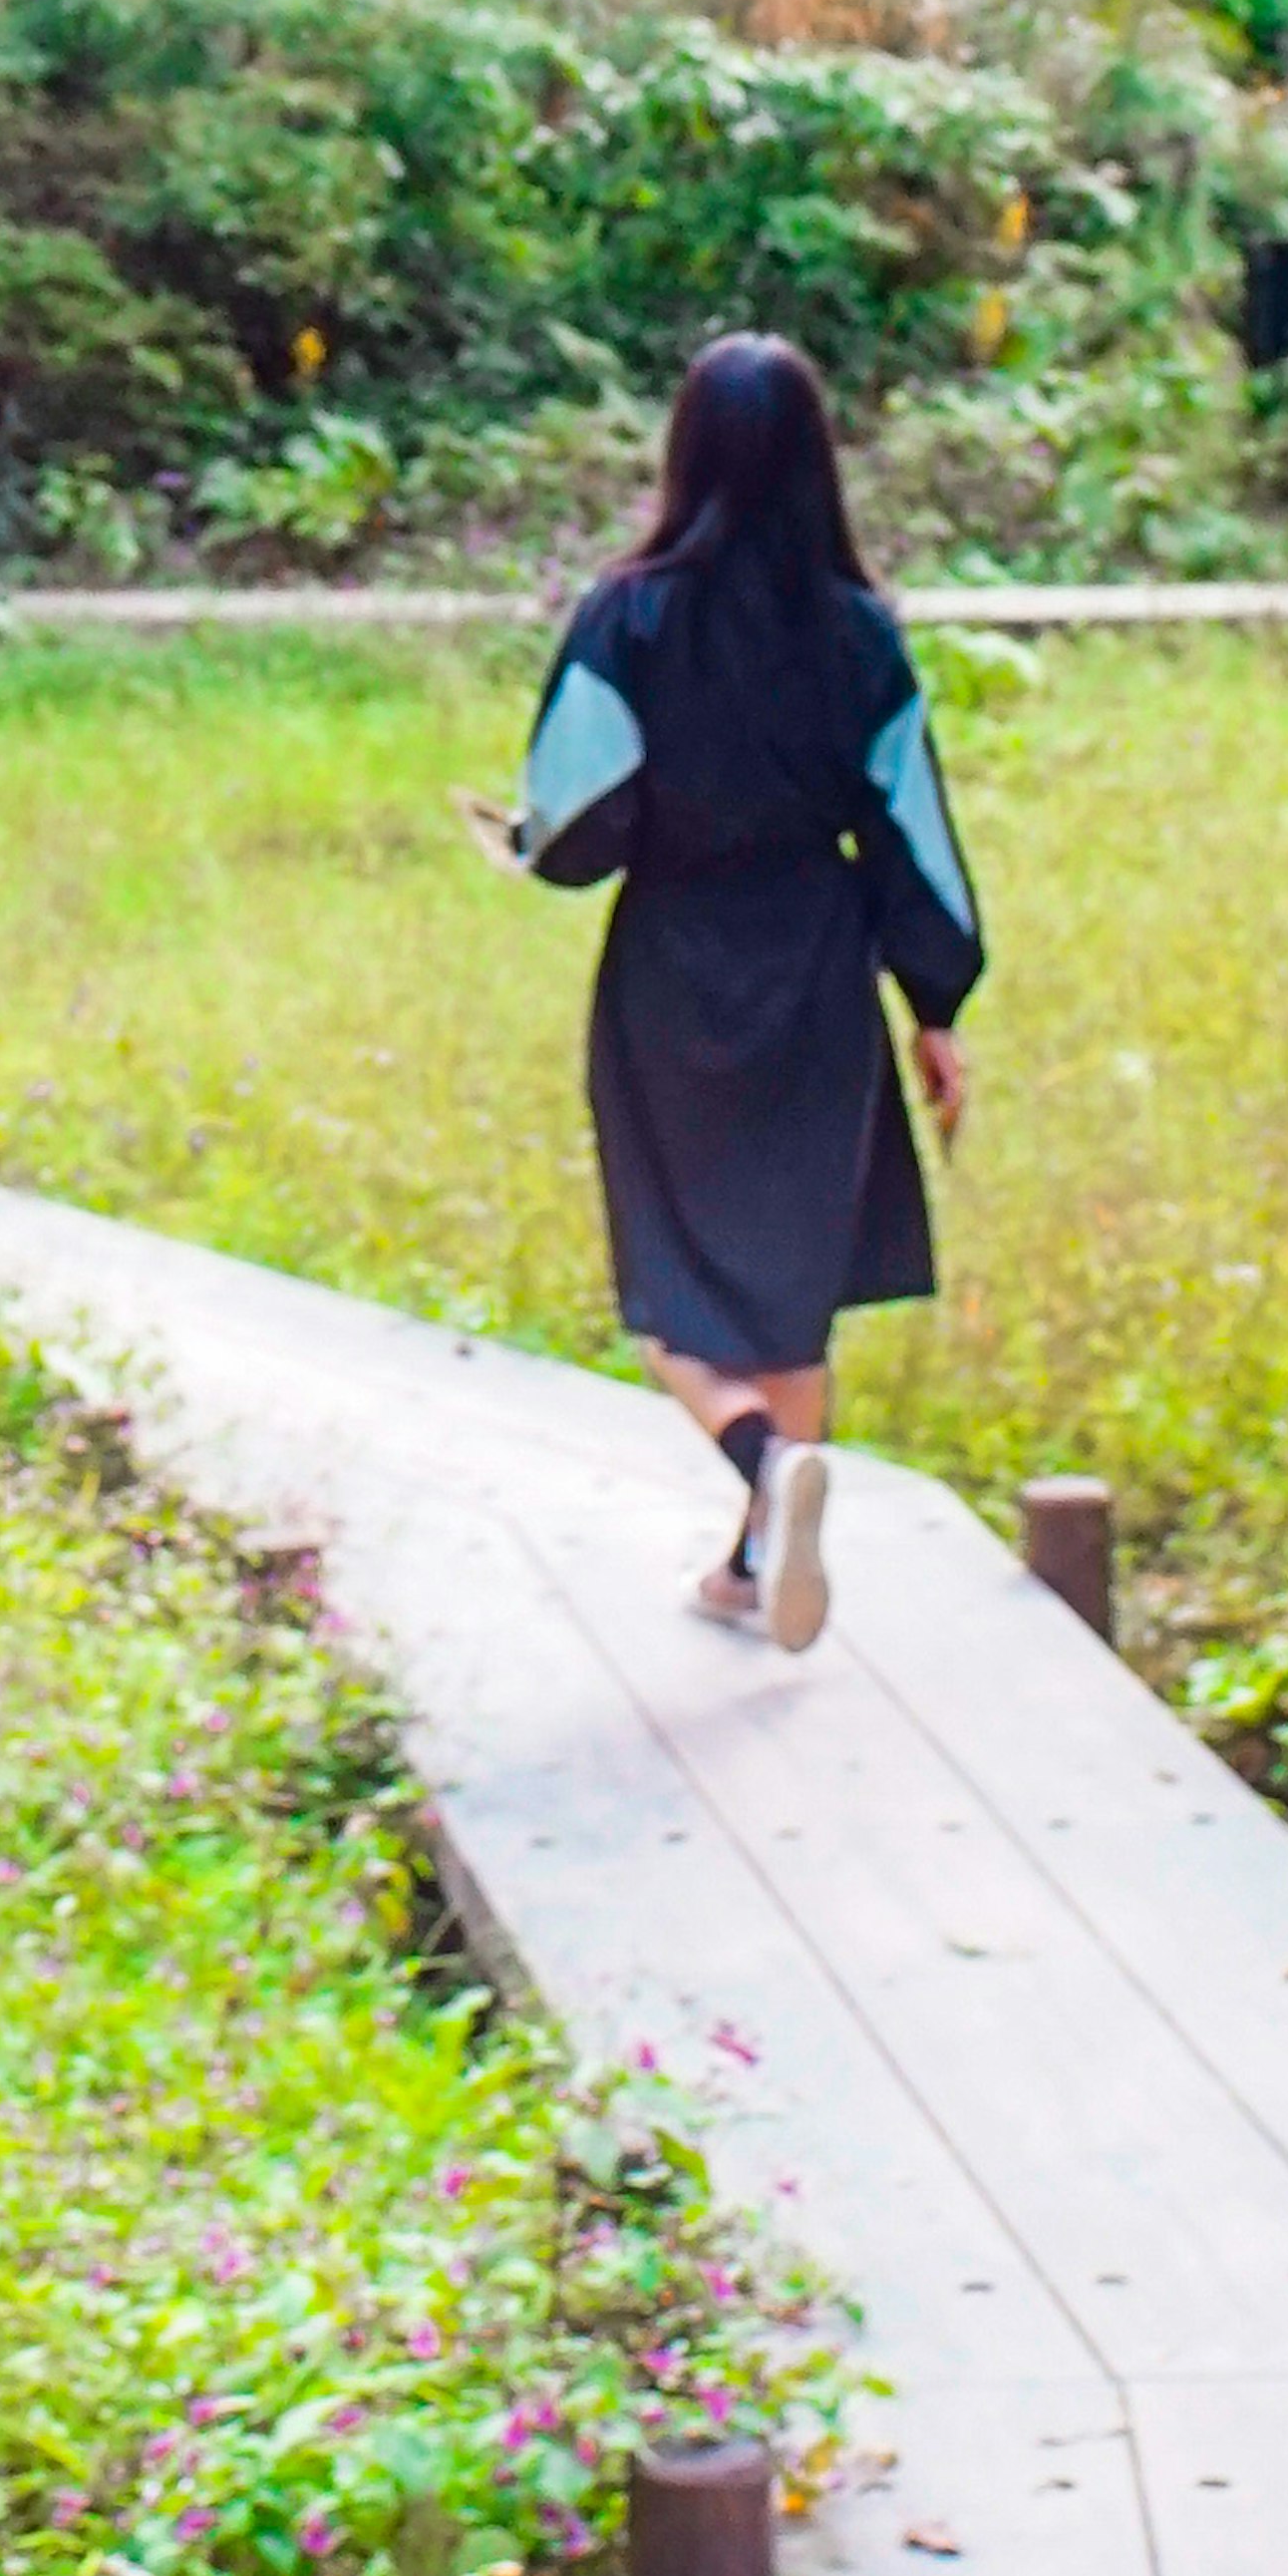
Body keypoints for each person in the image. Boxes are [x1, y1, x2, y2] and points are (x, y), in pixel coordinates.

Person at [475, 331, 982, 1653]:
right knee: (790, 1282)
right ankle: (764, 1559)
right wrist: (937, 1006)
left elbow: (577, 820)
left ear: (683, 449)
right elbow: (913, 832)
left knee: (669, 1286)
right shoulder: (860, 632)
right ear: (820, 461)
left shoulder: (627, 617)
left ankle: (763, 1487)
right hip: (821, 972)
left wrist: (522, 842)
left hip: (674, 972)